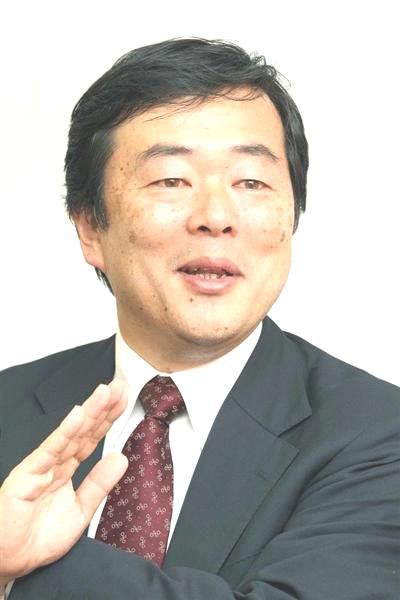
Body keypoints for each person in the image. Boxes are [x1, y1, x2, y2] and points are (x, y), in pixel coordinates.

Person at [0, 37, 399, 600]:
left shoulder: (379, 433)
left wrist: (18, 565)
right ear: (90, 228)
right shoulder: (8, 406)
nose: (216, 216)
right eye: (171, 180)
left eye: (251, 182)